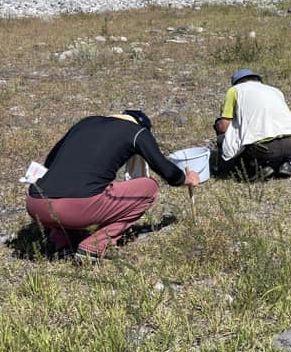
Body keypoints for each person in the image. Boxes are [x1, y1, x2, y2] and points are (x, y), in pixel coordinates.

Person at [25, 110, 199, 260]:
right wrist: (185, 178)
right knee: (149, 187)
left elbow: (49, 162)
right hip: (75, 209)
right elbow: (166, 171)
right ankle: (94, 246)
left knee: (84, 188)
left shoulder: (86, 122)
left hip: (35, 203)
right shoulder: (137, 132)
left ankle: (60, 242)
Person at [214, 69, 291, 181]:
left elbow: (224, 126)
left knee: (223, 137)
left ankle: (257, 168)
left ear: (237, 82)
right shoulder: (275, 90)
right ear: (257, 80)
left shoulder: (235, 90)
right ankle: (288, 162)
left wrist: (218, 124)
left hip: (264, 148)